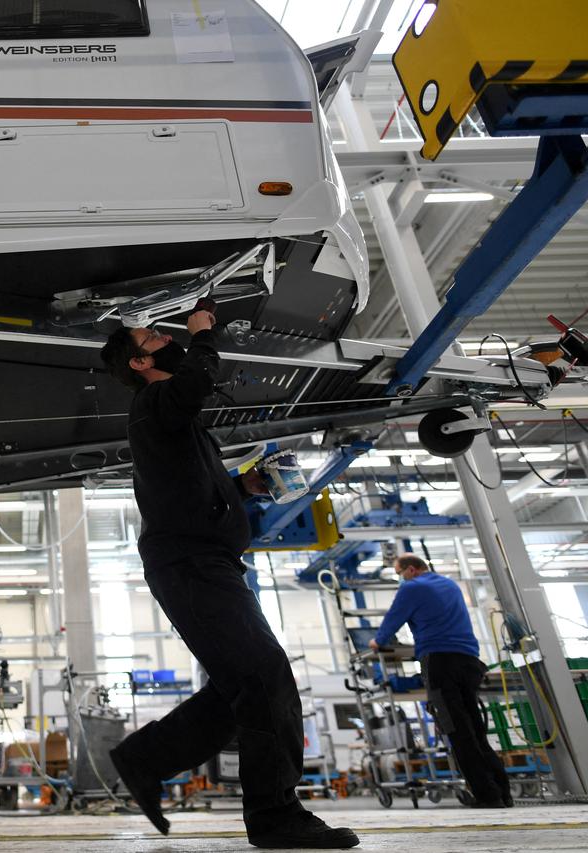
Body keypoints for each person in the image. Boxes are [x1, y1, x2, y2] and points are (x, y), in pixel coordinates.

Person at [99, 306, 359, 850]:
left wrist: (246, 486)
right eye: (153, 336)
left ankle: (145, 758)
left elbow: (191, 489)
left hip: (205, 563)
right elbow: (197, 379)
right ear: (141, 362)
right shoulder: (155, 402)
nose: (165, 337)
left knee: (244, 685)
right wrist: (203, 334)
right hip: (191, 564)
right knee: (265, 676)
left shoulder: (173, 421)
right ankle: (275, 815)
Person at [371, 553, 512, 808]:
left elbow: (393, 619)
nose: (400, 579)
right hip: (469, 660)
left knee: (457, 730)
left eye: (399, 573)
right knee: (475, 729)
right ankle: (503, 792)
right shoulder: (449, 584)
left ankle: (487, 795)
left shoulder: (411, 588)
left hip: (440, 661)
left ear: (411, 570)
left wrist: (377, 641)